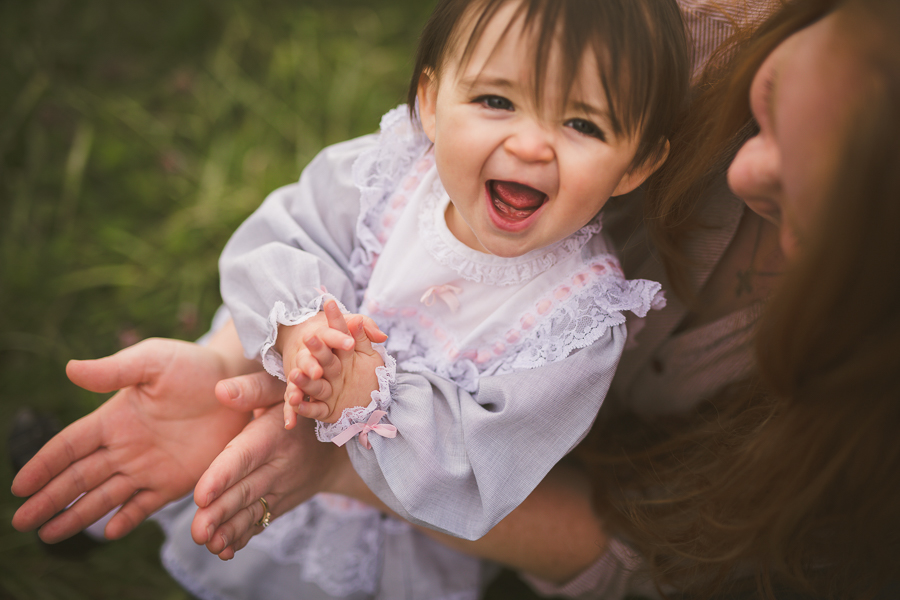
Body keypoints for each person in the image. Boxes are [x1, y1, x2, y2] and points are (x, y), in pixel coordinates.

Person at [14, 0, 899, 597]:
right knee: (182, 495)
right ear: (430, 104)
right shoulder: (391, 176)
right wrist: (264, 344)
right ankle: (105, 513)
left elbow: (486, 463)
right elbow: (287, 236)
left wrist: (350, 414)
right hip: (256, 408)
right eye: (496, 100)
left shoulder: (578, 320)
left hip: (400, 531)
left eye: (582, 124)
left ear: (638, 163)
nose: (532, 143)